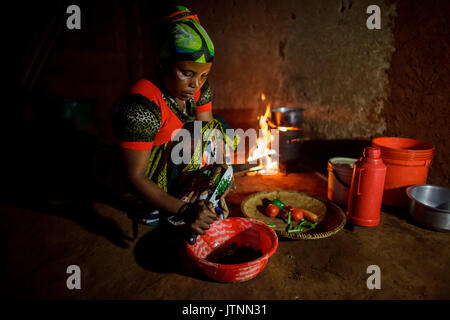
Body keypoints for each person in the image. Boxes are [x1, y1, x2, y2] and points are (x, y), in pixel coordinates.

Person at [112, 5, 237, 237]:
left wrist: (219, 164)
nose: (195, 84)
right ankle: (169, 206)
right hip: (147, 177)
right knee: (189, 135)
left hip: (174, 156)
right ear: (162, 62)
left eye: (203, 75)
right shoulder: (140, 105)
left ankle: (201, 199)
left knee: (219, 128)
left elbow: (207, 129)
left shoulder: (198, 87)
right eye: (186, 73)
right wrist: (185, 210)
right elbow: (134, 177)